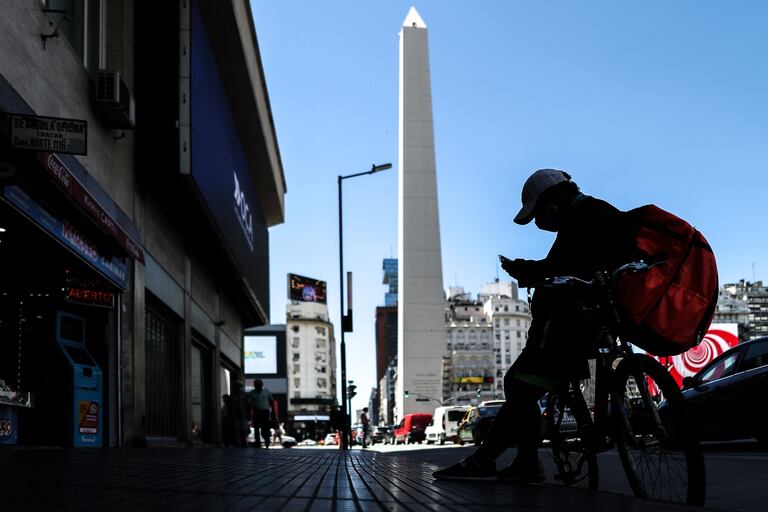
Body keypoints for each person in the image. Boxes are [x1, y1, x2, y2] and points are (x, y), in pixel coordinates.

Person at [434, 169, 633, 481]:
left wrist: (525, 270)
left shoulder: (582, 217)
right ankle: (504, 460)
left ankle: (505, 462)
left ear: (553, 199)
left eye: (539, 213)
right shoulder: (599, 212)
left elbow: (563, 268)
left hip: (567, 331)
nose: (540, 223)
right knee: (524, 390)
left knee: (518, 386)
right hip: (598, 323)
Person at [247, 378, 275, 449]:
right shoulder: (251, 393)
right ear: (254, 385)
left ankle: (267, 441)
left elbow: (271, 401)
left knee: (265, 427)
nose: (258, 386)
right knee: (256, 428)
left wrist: (273, 412)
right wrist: (248, 414)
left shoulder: (266, 391)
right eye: (256, 384)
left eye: (259, 384)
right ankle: (258, 443)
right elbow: (248, 405)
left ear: (262, 385)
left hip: (265, 412)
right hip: (256, 412)